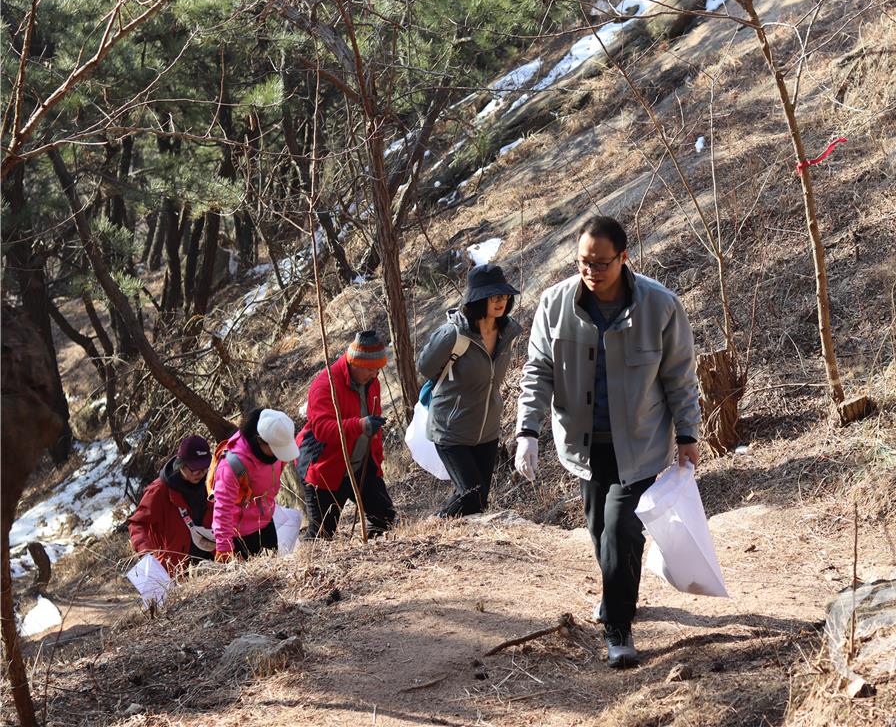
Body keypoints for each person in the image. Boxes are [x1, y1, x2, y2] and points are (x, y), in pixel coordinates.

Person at [515, 216, 702, 669]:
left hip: (639, 443)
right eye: (583, 262)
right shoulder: (555, 304)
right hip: (583, 442)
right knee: (601, 530)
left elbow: (680, 376)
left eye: (601, 262)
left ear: (624, 258)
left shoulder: (660, 305)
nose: (591, 271)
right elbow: (538, 370)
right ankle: (616, 589)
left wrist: (687, 434)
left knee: (621, 526)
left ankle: (618, 626)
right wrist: (527, 431)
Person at [417, 264, 522, 517]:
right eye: (494, 296)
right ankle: (435, 525)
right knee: (471, 495)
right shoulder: (454, 334)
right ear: (477, 299)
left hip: (486, 430)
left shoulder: (507, 332)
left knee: (477, 499)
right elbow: (425, 366)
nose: (502, 301)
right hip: (451, 430)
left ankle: (450, 544)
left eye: (505, 296)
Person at [296, 330, 396, 539]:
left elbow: (372, 428)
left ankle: (370, 557)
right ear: (355, 363)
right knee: (321, 535)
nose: (376, 374)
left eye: (378, 369)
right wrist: (359, 425)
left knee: (383, 517)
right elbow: (322, 429)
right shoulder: (325, 384)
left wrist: (377, 461)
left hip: (361, 463)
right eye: (371, 369)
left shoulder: (372, 382)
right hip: (325, 466)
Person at [212, 408, 296, 561]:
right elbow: (222, 509)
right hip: (241, 534)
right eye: (276, 450)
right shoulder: (232, 465)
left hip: (267, 521)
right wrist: (224, 547)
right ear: (260, 440)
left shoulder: (275, 448)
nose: (280, 455)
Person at [128, 435, 216, 574]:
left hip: (212, 557)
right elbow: (138, 523)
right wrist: (146, 554)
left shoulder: (210, 482)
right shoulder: (159, 490)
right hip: (176, 569)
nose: (200, 473)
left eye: (204, 467)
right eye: (194, 468)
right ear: (180, 464)